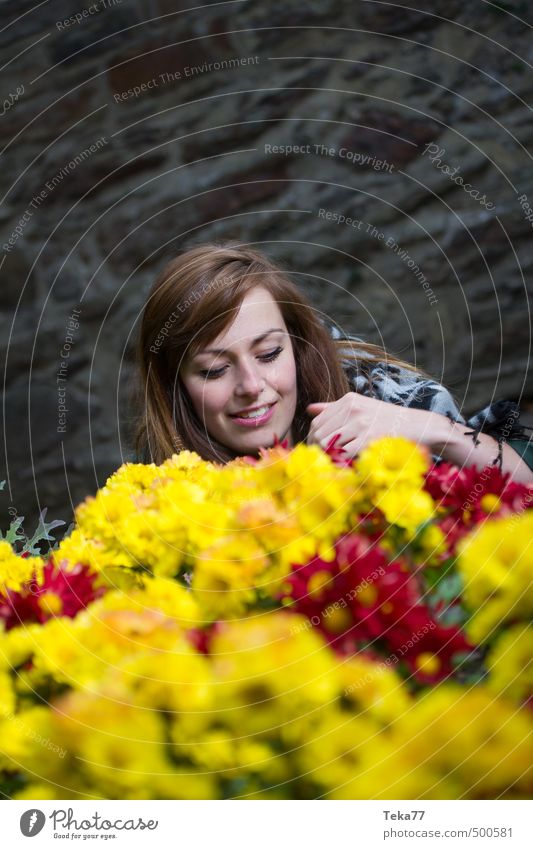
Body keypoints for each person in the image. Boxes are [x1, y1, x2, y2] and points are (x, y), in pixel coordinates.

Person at [134, 243, 533, 483]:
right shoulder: (166, 501)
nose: (252, 385)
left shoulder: (378, 391)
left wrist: (432, 430)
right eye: (215, 370)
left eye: (269, 353)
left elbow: (525, 490)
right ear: (176, 385)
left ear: (296, 343)